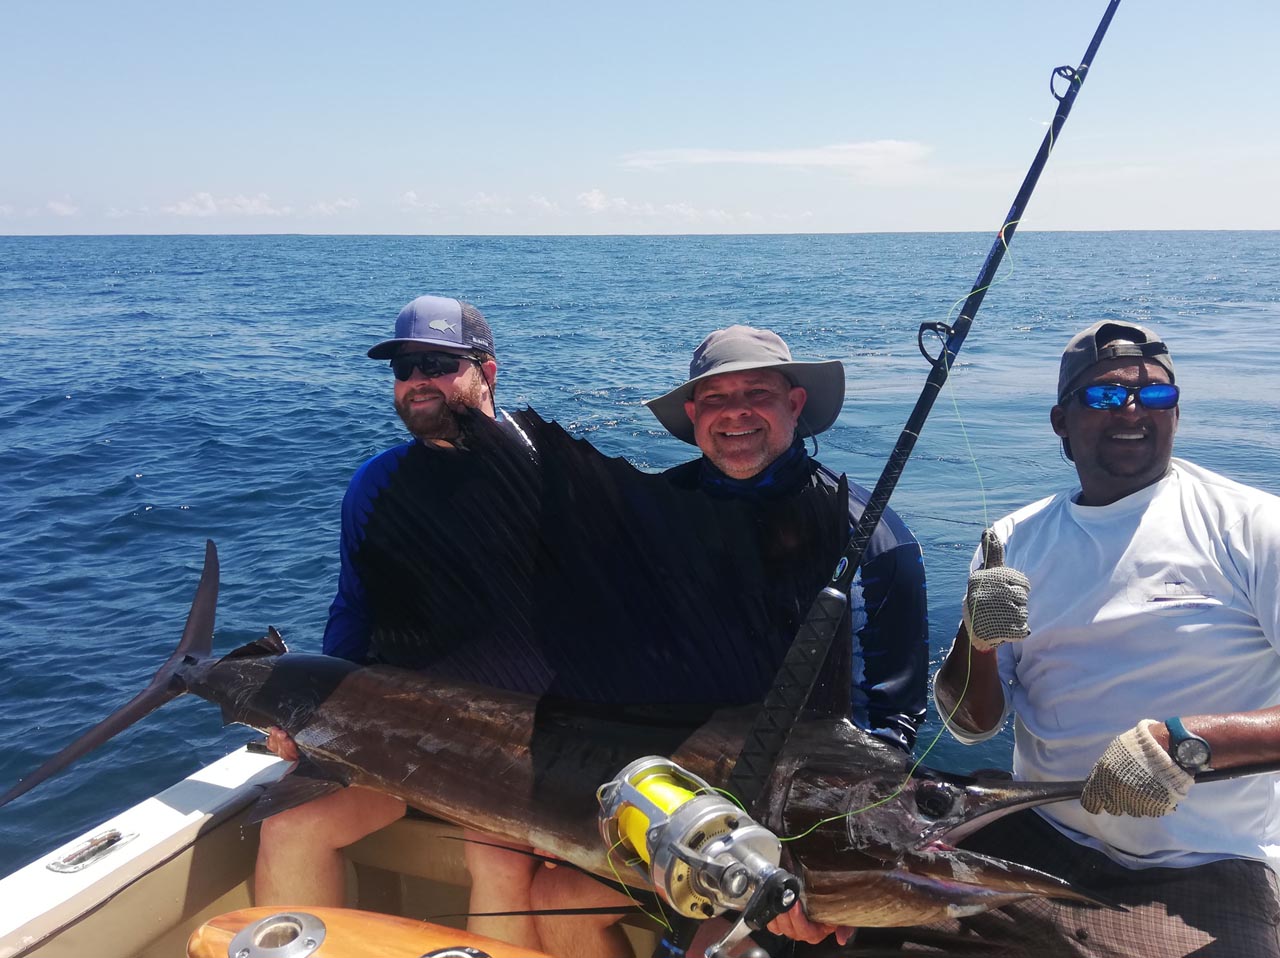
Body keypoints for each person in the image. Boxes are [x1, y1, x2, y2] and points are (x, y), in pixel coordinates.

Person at [528, 325, 931, 957]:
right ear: (692, 417)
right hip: (672, 797)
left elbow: (891, 730)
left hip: (799, 823)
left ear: (794, 405)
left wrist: (814, 869)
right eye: (715, 398)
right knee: (552, 897)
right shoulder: (645, 518)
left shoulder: (873, 540)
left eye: (758, 393)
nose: (736, 412)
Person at [927, 319, 1280, 956]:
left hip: (1206, 866)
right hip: (1040, 839)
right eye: (1104, 396)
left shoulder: (1253, 527)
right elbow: (972, 726)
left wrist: (1189, 742)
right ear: (1061, 421)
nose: (1132, 410)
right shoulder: (1013, 540)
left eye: (1156, 396)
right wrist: (975, 645)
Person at [254, 294, 543, 950]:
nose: (416, 381)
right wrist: (313, 715)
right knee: (288, 825)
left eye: (437, 364)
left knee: (497, 861)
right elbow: (353, 614)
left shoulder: (551, 478)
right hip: (401, 733)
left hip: (510, 746)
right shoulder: (374, 485)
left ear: (487, 372)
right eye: (404, 367)